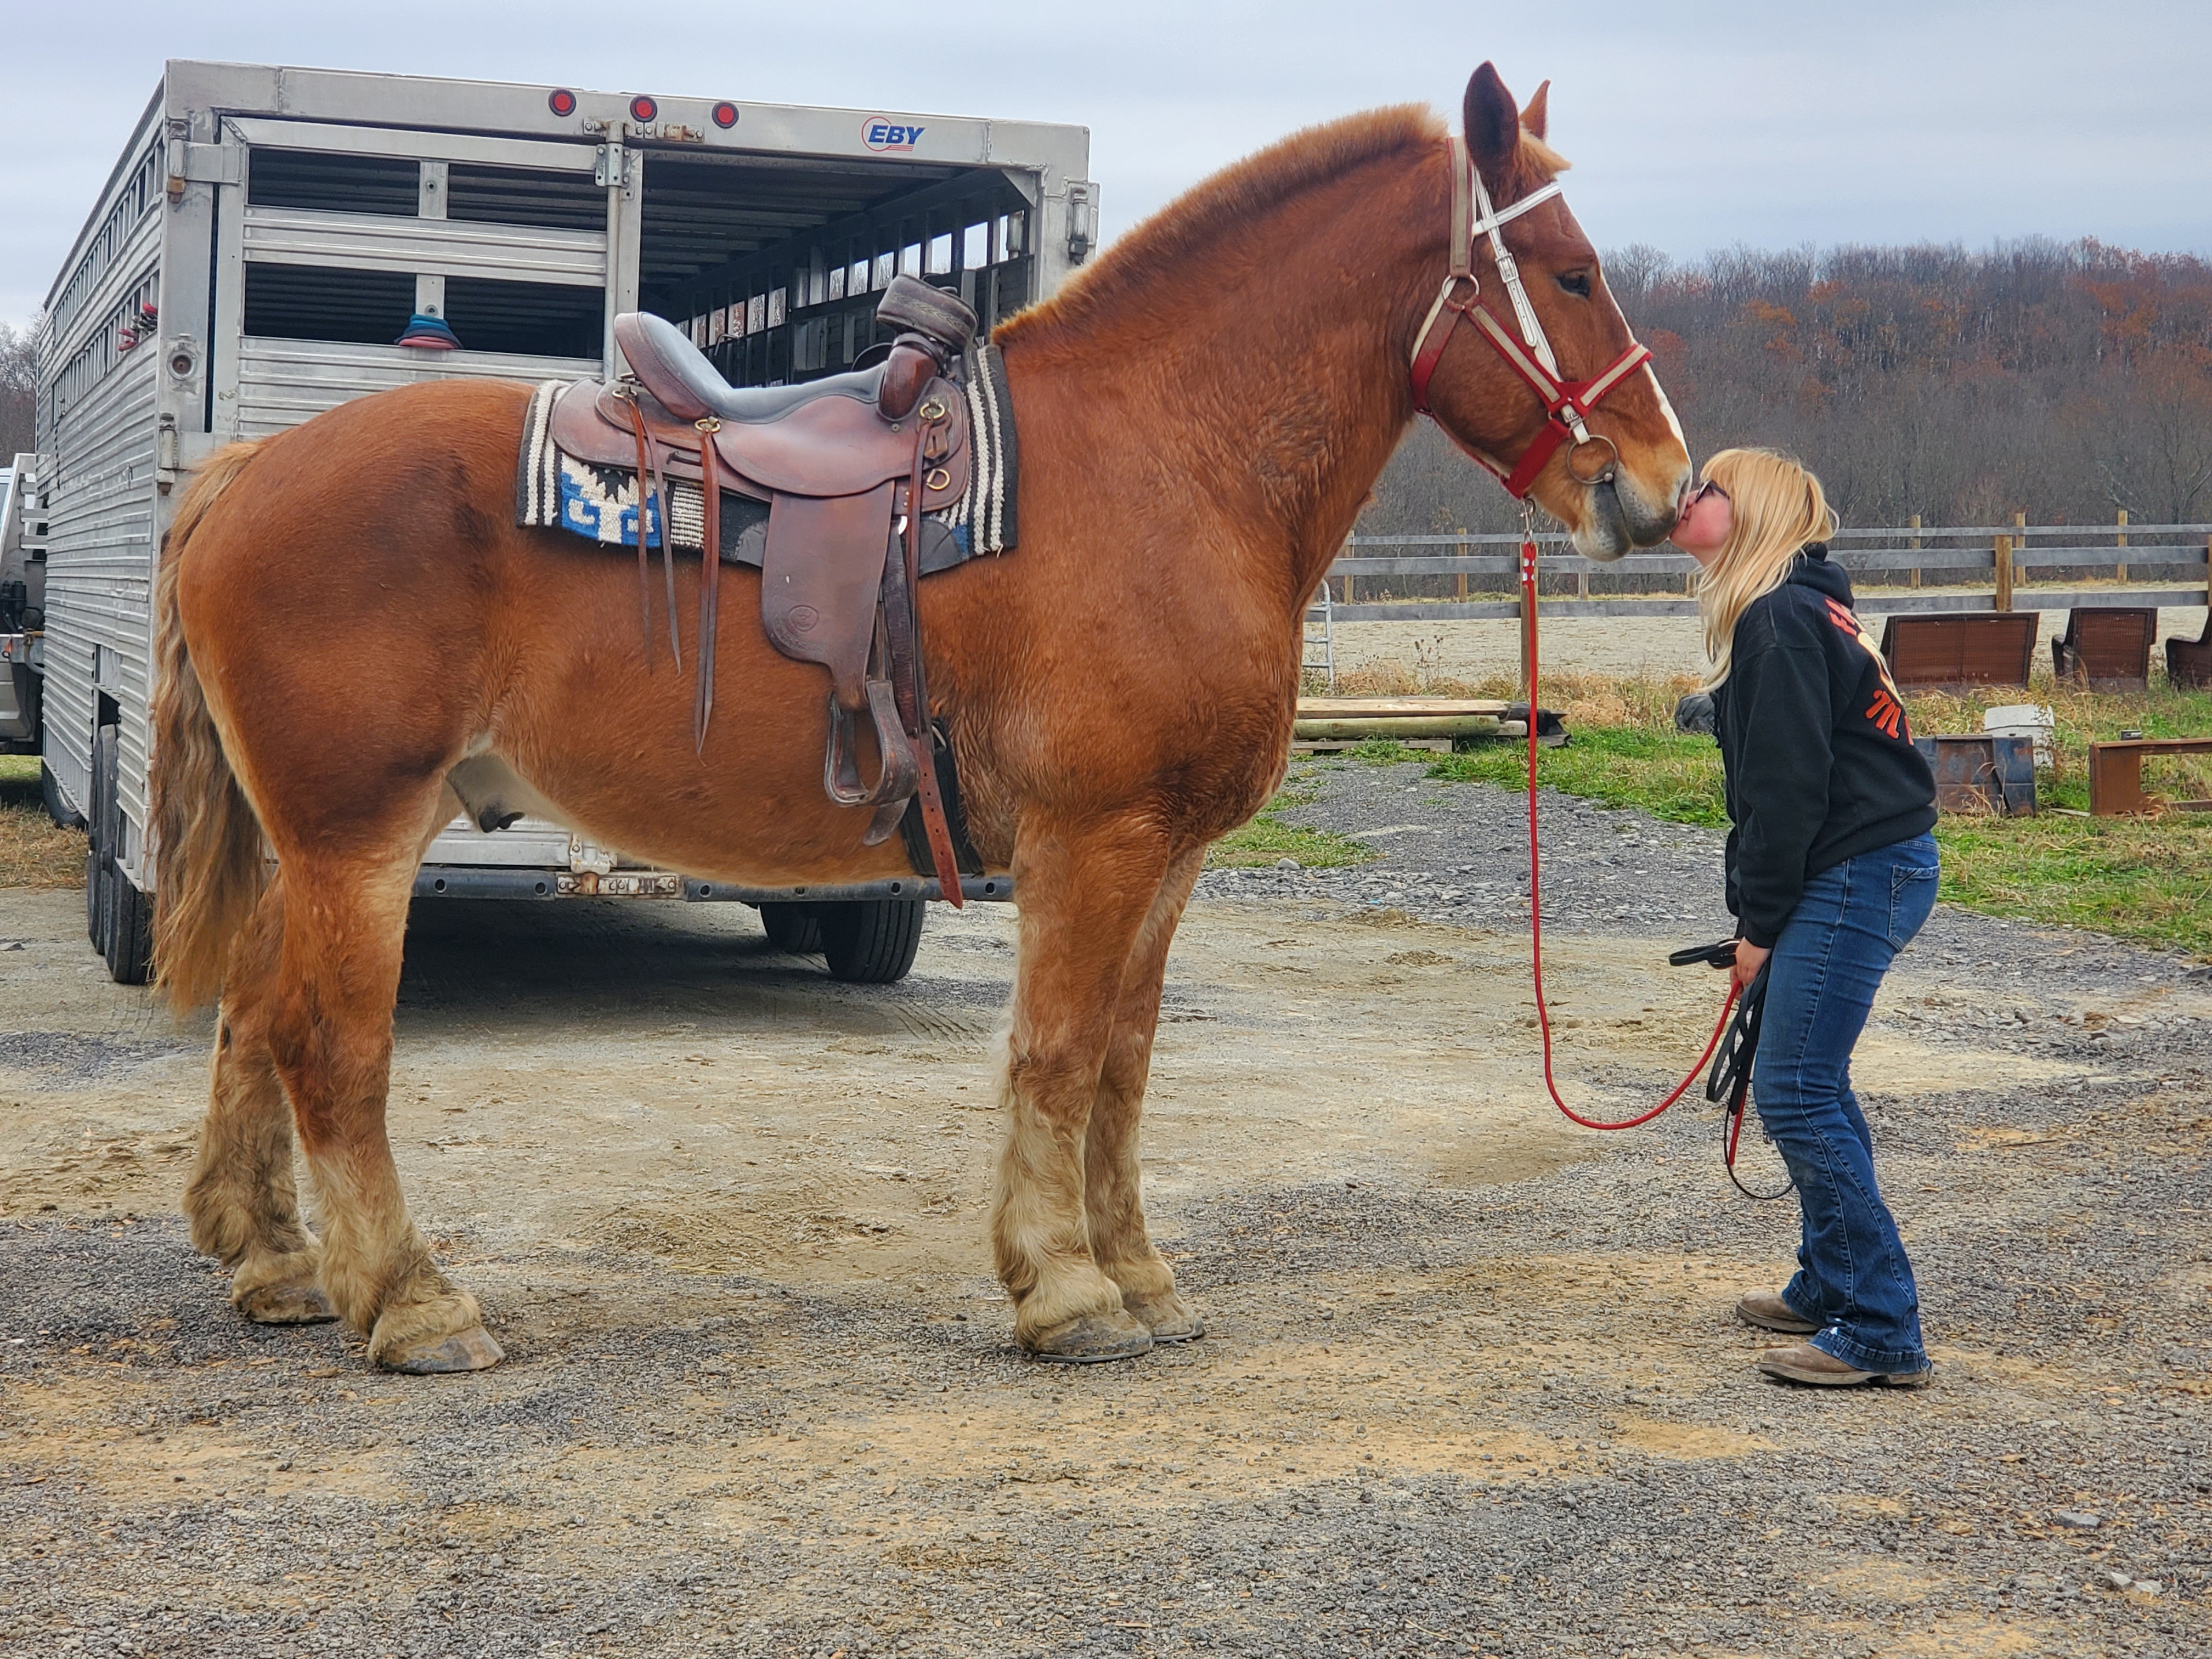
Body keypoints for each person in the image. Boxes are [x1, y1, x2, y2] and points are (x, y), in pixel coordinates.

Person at [1670, 448, 1941, 1388]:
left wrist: (1757, 928)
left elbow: (1785, 794)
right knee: (1811, 1080)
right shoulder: (1798, 607)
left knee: (1793, 1089)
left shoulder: (1780, 619)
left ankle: (1881, 1326)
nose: (1689, 496)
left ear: (1748, 513)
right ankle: (1833, 1280)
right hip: (1870, 861)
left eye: (1709, 486)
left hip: (1858, 867)